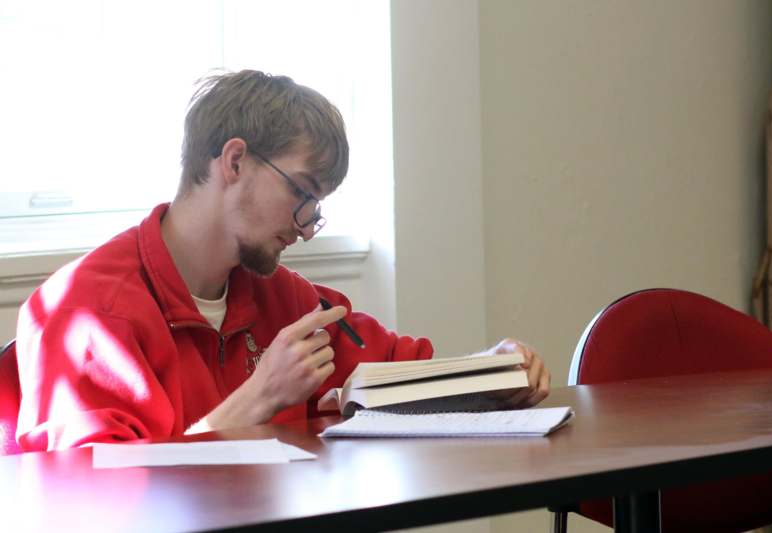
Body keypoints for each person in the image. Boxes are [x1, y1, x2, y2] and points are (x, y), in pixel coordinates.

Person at [14, 70, 550, 452]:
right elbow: (94, 501)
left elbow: (397, 368)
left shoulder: (284, 298)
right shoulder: (88, 315)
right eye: (302, 192)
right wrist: (260, 396)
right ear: (235, 160)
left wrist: (492, 369)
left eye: (316, 208)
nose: (305, 225)